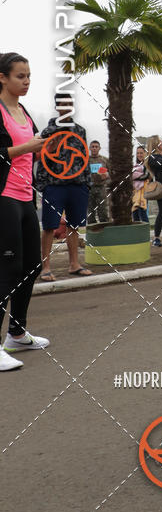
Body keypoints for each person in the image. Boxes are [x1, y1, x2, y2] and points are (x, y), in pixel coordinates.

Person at [0, 53, 49, 371]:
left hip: (25, 197)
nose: (26, 81)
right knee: (6, 270)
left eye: (29, 75)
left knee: (32, 266)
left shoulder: (23, 110)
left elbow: (28, 150)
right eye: (20, 76)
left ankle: (16, 333)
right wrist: (25, 148)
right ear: (2, 78)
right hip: (3, 196)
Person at [37, 93, 92, 279]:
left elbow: (85, 157)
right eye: (63, 104)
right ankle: (45, 267)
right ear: (57, 107)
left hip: (77, 185)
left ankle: (74, 264)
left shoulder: (80, 131)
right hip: (54, 185)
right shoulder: (48, 131)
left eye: (70, 103)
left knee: (74, 225)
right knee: (49, 227)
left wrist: (87, 183)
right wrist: (42, 184)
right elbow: (42, 158)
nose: (67, 106)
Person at [87, 140, 111, 224]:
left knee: (103, 211)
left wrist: (107, 176)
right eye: (92, 147)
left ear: (99, 148)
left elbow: (112, 174)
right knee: (90, 212)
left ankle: (105, 231)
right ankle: (92, 232)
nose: (94, 148)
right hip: (89, 188)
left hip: (102, 188)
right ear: (89, 148)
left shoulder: (105, 160)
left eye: (96, 147)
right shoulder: (86, 160)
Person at [131, 145, 149, 223]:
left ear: (145, 153)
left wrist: (135, 176)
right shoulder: (135, 165)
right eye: (138, 153)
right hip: (135, 192)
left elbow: (147, 176)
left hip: (144, 192)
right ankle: (136, 234)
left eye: (141, 153)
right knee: (135, 213)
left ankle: (146, 233)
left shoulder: (147, 164)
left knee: (142, 212)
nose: (139, 155)